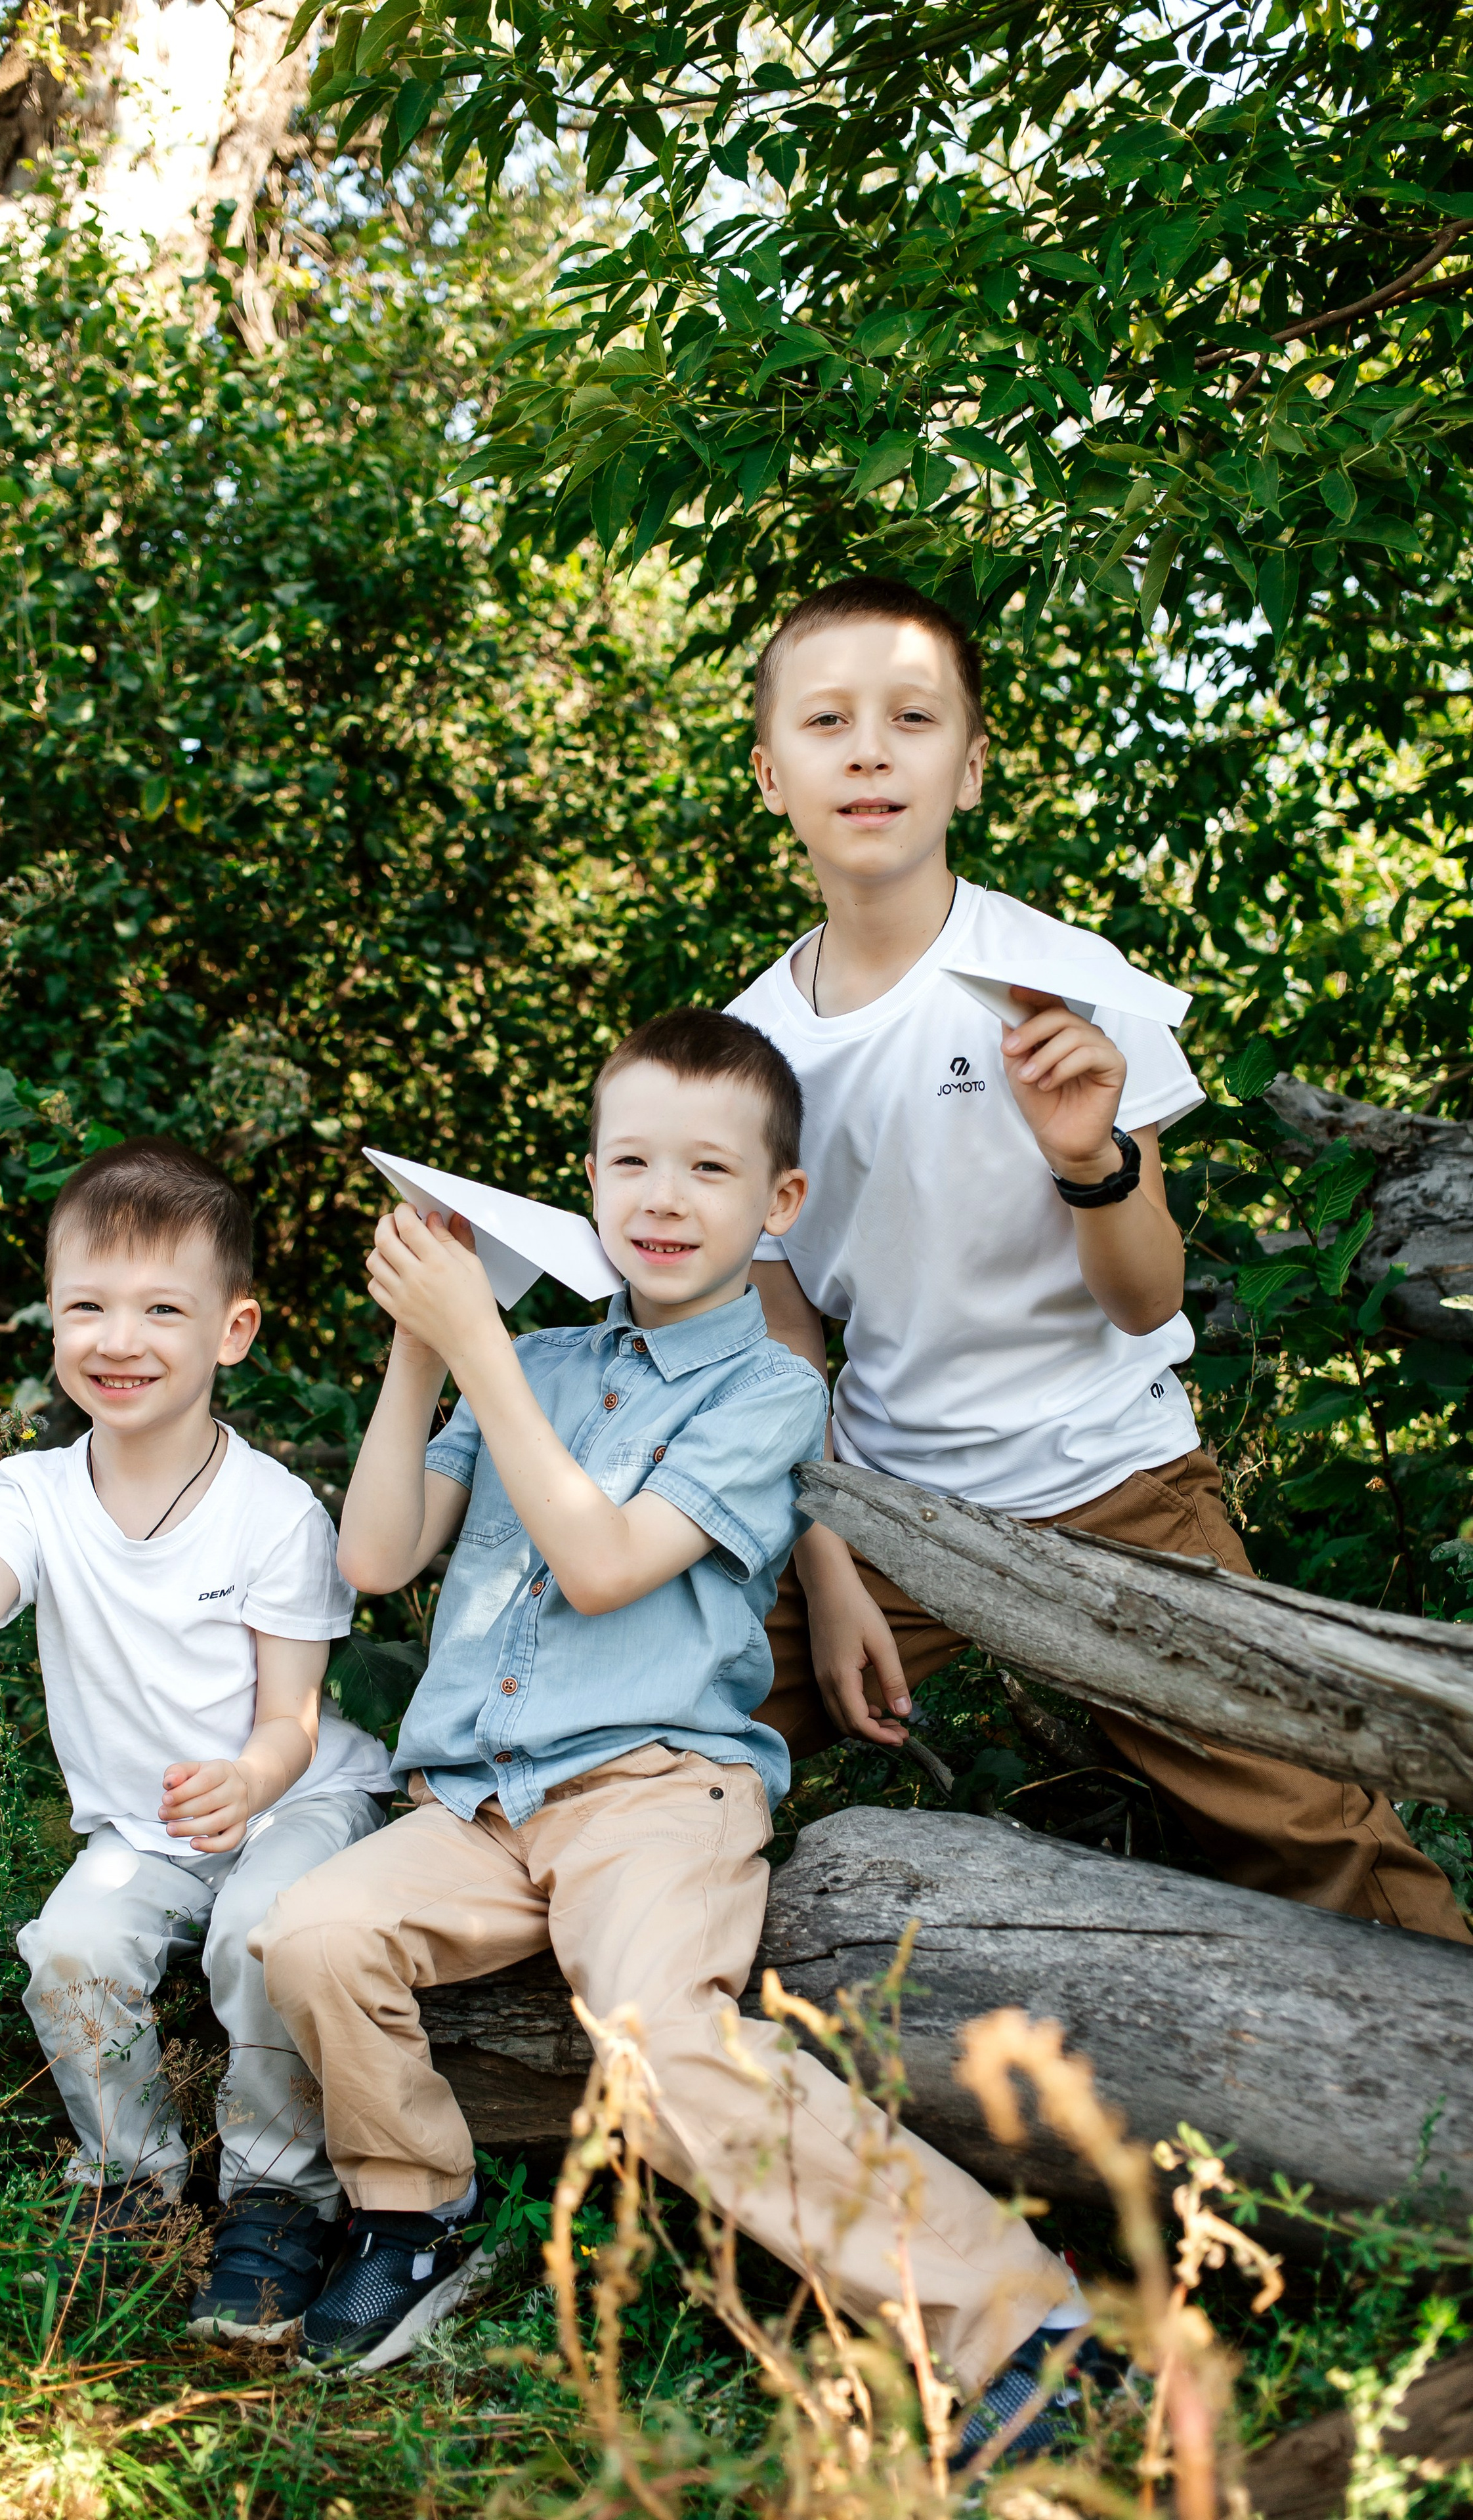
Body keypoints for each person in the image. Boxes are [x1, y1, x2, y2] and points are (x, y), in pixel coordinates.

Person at [252, 1009, 1096, 2428]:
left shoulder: (770, 1390)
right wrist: (420, 1352)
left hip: (656, 1789)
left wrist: (481, 1348)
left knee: (654, 2038)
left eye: (706, 1171)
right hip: (478, 1803)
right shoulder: (550, 1365)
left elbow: (598, 1564)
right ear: (585, 1181)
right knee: (312, 1933)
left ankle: (1015, 2318)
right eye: (629, 1161)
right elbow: (375, 1558)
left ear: (776, 1205)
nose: (659, 1197)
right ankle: (417, 2216)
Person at [726, 572, 1469, 1944]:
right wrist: (823, 1553)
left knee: (1315, 1833)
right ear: (771, 771)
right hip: (884, 1508)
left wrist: (1090, 1156)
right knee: (659, 1717)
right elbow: (782, 1339)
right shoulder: (744, 1052)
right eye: (827, 721)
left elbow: (1141, 1298)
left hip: (1110, 1482)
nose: (871, 750)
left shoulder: (1053, 977)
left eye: (912, 717)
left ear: (971, 764)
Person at [0, 1138, 396, 2338]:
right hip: (144, 1830)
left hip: (290, 1801)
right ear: (52, 1317)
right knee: (72, 1947)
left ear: (232, 1332)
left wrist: (251, 1778)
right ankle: (134, 2185)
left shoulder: (274, 1513)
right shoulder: (37, 1494)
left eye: (162, 1309)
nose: (119, 1339)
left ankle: (274, 2200)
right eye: (87, 1304)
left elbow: (290, 1722)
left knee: (260, 1931)